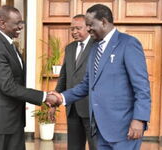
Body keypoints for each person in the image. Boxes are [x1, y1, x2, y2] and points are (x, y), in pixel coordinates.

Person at [50, 4, 151, 150]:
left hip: (124, 129)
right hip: (99, 129)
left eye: (90, 25)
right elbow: (86, 84)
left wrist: (139, 119)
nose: (88, 29)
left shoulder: (128, 44)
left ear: (103, 21)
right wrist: (61, 98)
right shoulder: (95, 47)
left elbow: (142, 88)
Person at [0, 5, 59, 150]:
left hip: (12, 118)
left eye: (22, 23)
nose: (21, 27)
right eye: (17, 23)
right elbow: (8, 86)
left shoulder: (9, 45)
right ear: (2, 23)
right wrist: (44, 97)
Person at [54, 14, 96, 150]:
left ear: (88, 28)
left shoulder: (97, 46)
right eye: (72, 29)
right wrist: (55, 98)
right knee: (74, 147)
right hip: (72, 108)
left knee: (96, 146)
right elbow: (64, 76)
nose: (74, 32)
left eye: (78, 28)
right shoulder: (70, 48)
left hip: (91, 108)